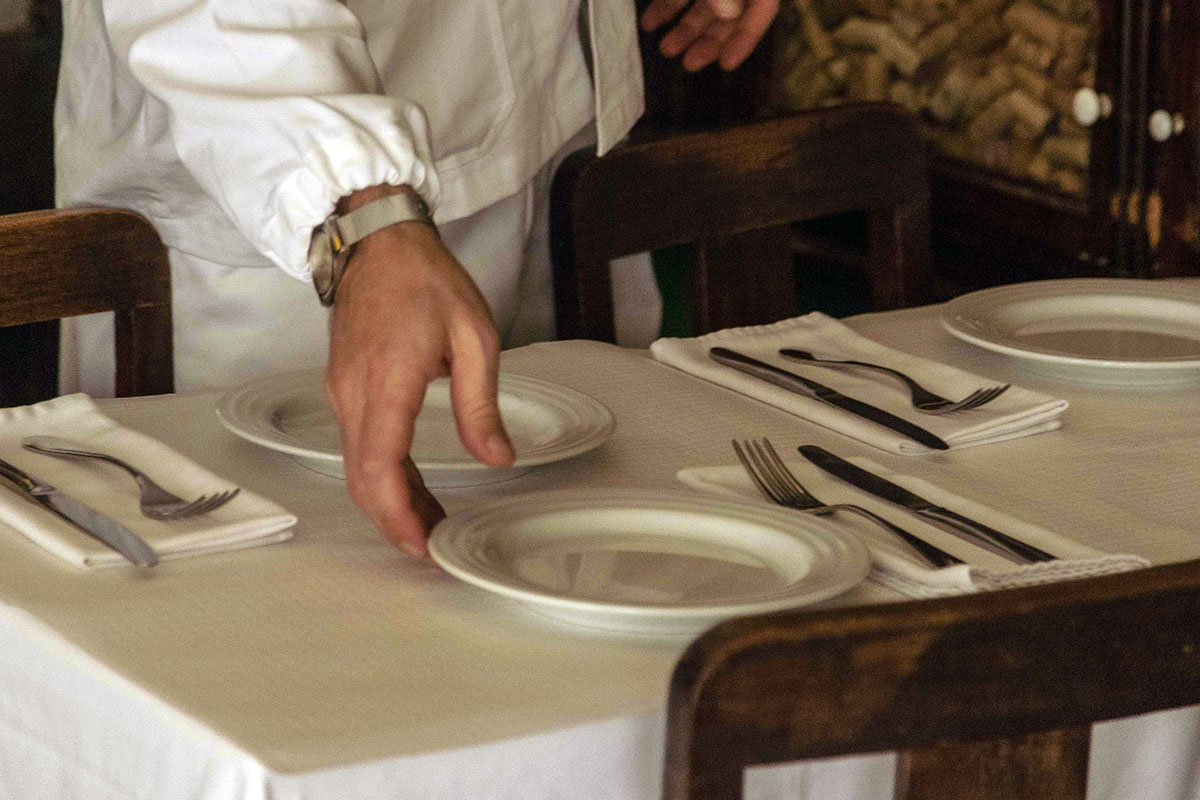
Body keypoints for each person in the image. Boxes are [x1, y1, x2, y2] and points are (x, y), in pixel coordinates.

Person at [55, 0, 780, 557]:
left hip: (557, 124)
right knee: (290, 646)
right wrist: (359, 210)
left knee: (584, 590)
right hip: (281, 195)